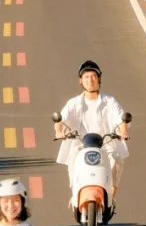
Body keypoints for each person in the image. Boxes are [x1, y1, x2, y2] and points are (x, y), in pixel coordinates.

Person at [55, 59, 129, 206]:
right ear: (80, 80)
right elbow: (61, 120)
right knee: (73, 162)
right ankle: (75, 195)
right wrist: (59, 132)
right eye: (86, 77)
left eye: (93, 76)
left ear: (99, 78)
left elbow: (121, 117)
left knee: (117, 159)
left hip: (105, 145)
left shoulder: (110, 102)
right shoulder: (73, 103)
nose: (90, 80)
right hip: (81, 145)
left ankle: (110, 197)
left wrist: (123, 131)